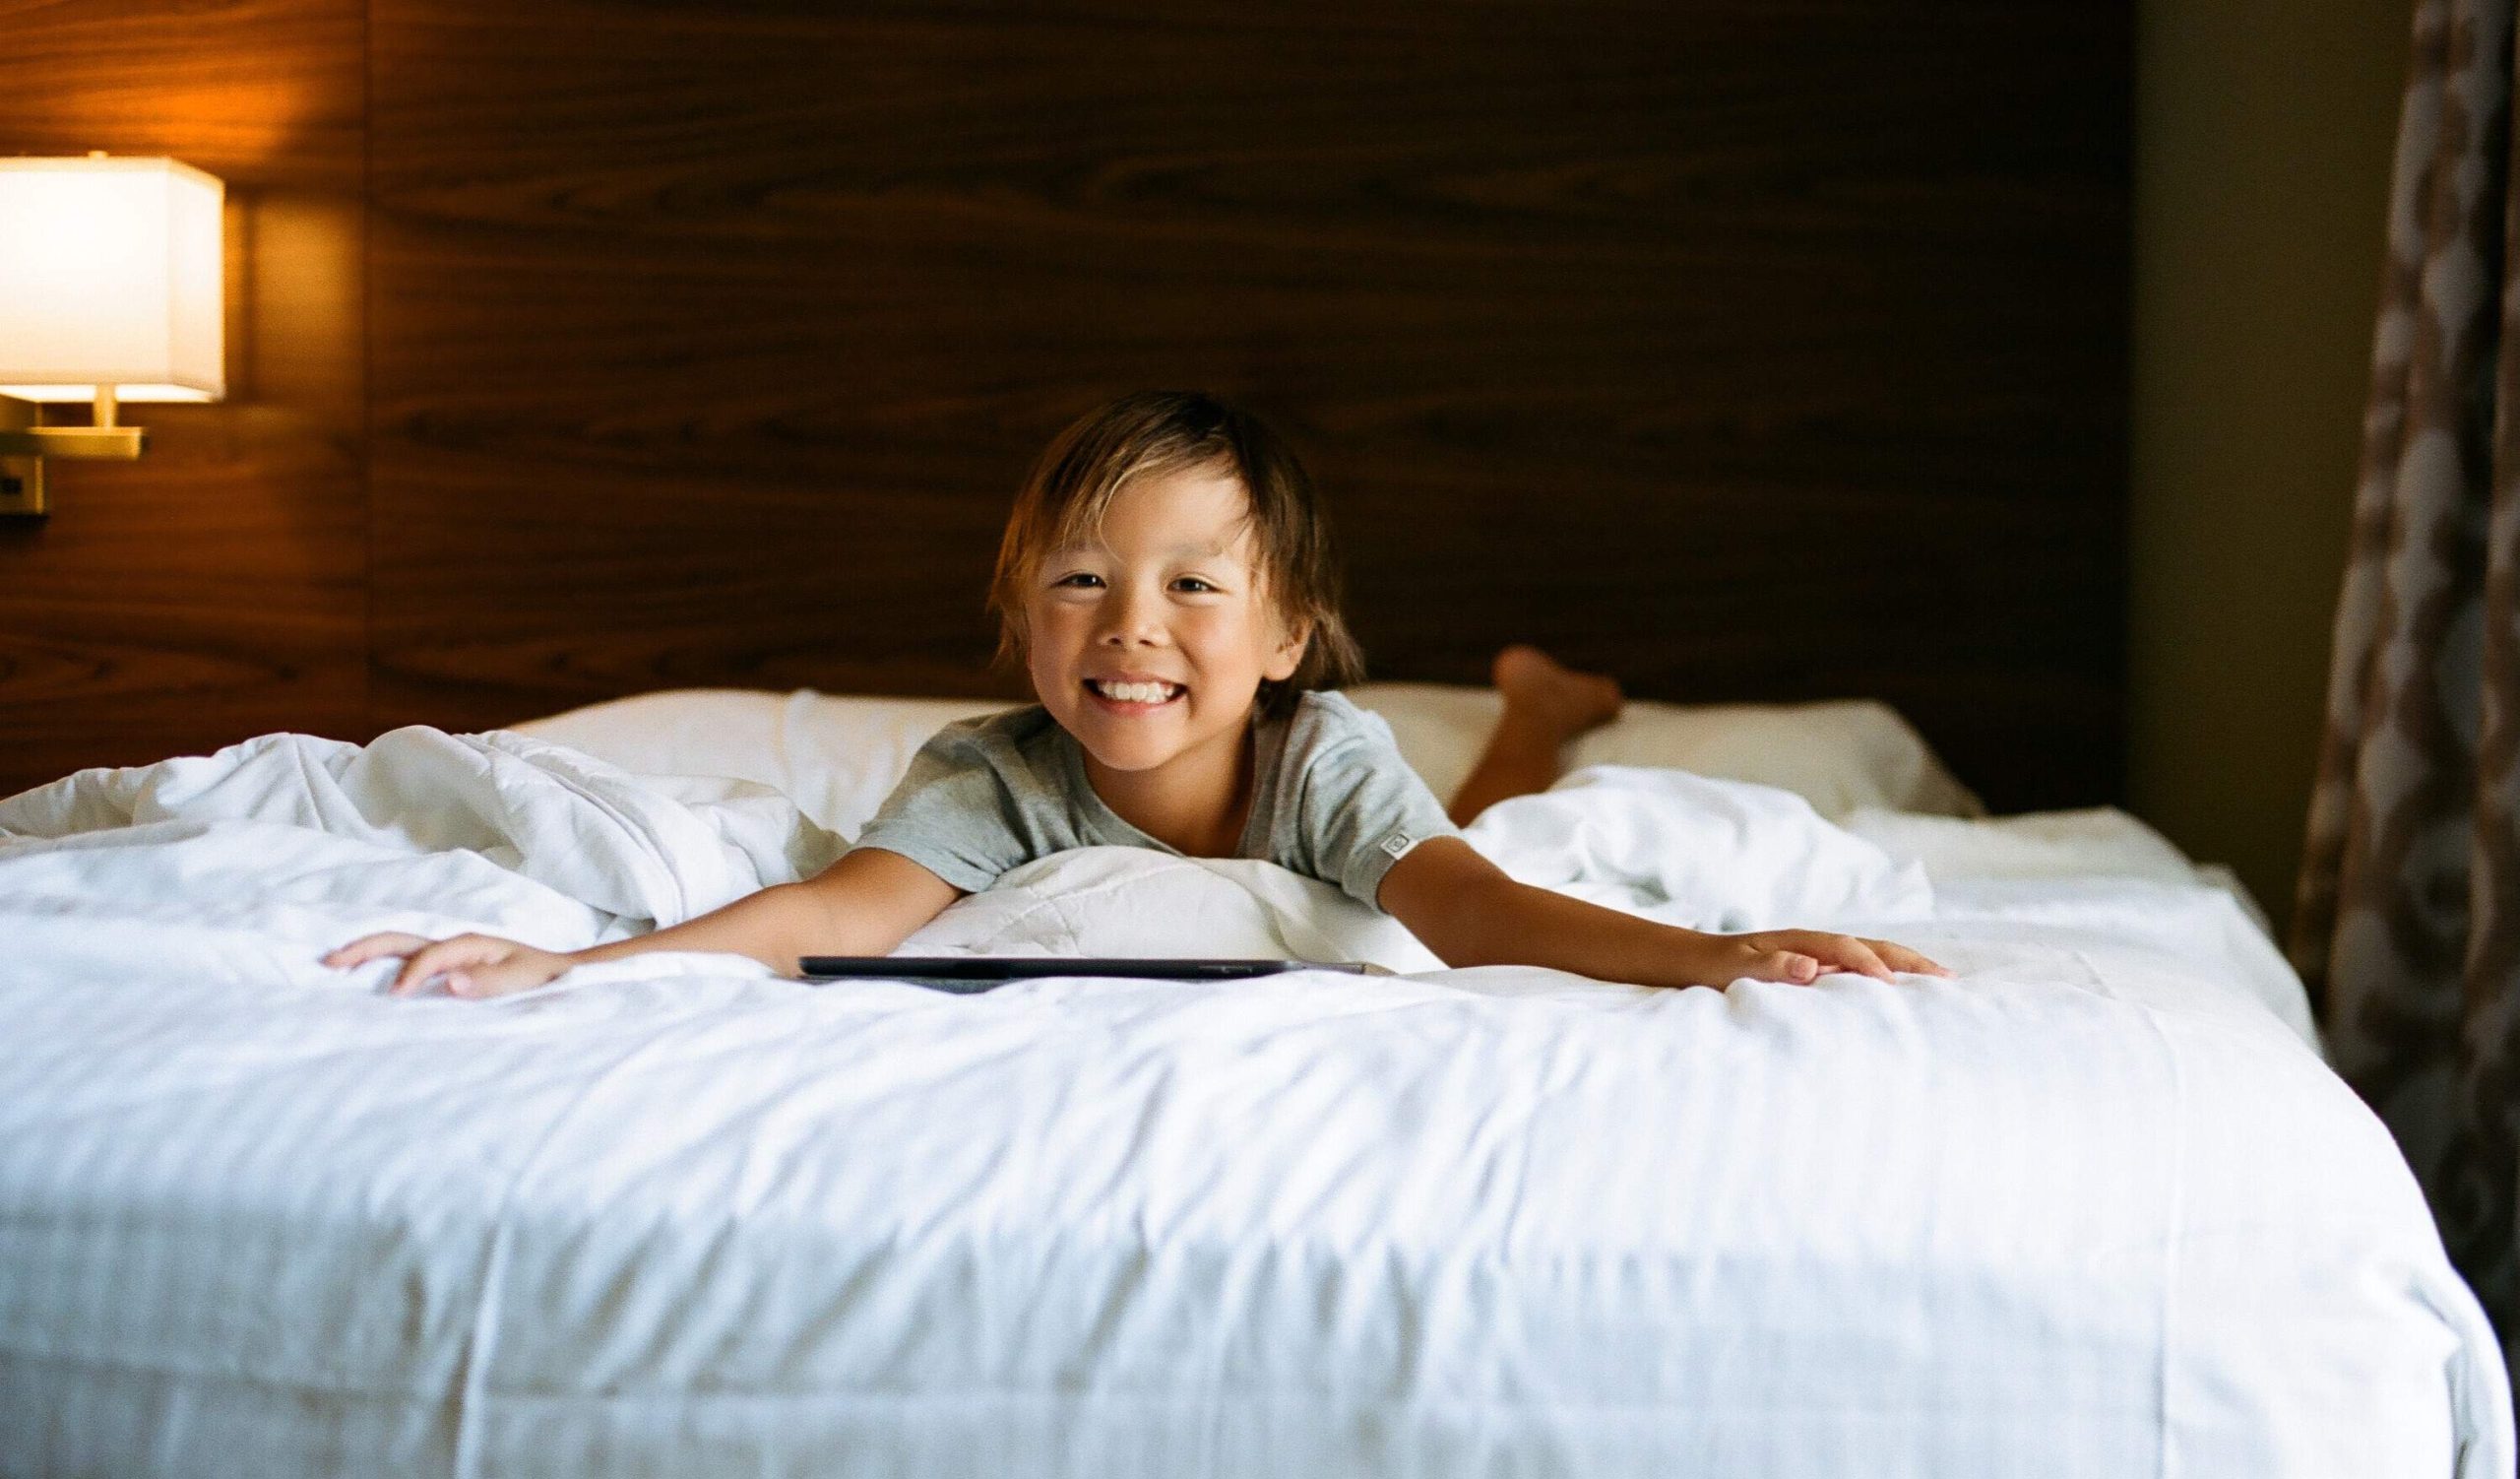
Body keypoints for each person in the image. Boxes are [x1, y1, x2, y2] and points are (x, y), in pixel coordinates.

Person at [324, 390, 1946, 999]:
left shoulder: (1321, 750)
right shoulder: (999, 772)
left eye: (1192, 584)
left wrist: (1714, 955)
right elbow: (845, 907)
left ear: (1290, 632)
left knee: (1487, 813)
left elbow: (1473, 908)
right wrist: (581, 961)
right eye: (1080, 580)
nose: (1131, 627)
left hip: (1388, 809)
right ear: (1023, 622)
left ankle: (1541, 700)